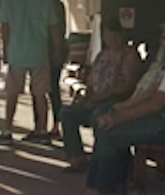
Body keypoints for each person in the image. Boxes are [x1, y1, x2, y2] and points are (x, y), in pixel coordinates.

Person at [73, 20, 165, 195]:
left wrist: (118, 117)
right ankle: (109, 188)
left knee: (111, 132)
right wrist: (123, 110)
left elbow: (155, 104)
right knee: (114, 128)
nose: (161, 43)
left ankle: (103, 190)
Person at [60, 16, 142, 171]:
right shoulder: (102, 55)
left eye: (115, 35)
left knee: (98, 115)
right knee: (67, 113)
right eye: (107, 35)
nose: (112, 39)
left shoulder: (129, 55)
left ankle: (104, 160)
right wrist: (87, 94)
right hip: (95, 98)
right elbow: (91, 80)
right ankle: (77, 159)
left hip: (115, 101)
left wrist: (103, 96)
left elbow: (127, 86)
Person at [0, 0, 61, 143]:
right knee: (40, 94)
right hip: (39, 51)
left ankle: (7, 130)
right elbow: (53, 29)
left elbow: (5, 26)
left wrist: (5, 49)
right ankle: (41, 131)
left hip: (17, 51)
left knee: (12, 93)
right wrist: (56, 51)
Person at [36, 0, 67, 138]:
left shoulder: (51, 4)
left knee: (45, 89)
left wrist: (56, 50)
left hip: (48, 50)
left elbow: (57, 30)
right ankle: (51, 124)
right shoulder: (56, 4)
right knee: (50, 89)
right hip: (51, 49)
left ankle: (48, 125)